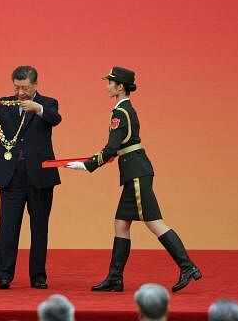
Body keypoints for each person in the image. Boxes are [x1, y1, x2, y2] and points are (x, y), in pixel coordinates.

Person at [66, 66, 202, 292]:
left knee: (154, 222)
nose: (107, 86)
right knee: (121, 224)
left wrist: (88, 164)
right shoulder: (126, 109)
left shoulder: (120, 112)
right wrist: (108, 156)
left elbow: (111, 147)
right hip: (134, 170)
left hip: (136, 172)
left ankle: (187, 266)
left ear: (120, 87)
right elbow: (122, 145)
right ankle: (115, 278)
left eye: (110, 82)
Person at [0, 65, 61, 289]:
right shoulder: (5, 104)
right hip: (11, 176)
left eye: (24, 87)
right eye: (16, 87)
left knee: (39, 226)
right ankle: (3, 275)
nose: (20, 92)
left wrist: (38, 108)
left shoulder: (48, 103)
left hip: (40, 176)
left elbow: (55, 118)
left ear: (35, 85)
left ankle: (38, 276)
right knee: (7, 226)